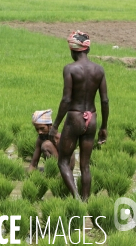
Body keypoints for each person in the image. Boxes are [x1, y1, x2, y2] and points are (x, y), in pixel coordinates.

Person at [50, 30, 109, 201]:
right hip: (92, 118)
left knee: (63, 162)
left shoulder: (70, 69)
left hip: (75, 117)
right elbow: (104, 101)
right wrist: (104, 127)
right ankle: (85, 201)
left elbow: (67, 99)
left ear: (73, 50)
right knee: (85, 166)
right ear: (87, 50)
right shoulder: (99, 70)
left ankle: (76, 198)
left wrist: (55, 126)